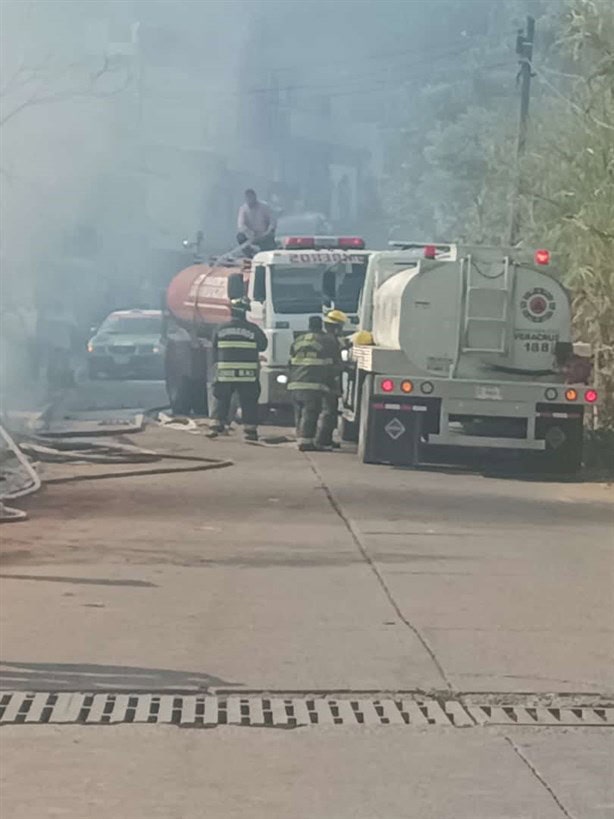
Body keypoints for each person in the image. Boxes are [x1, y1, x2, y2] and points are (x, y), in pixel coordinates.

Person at [209, 297, 268, 442]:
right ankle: (250, 431)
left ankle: (217, 426)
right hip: (247, 374)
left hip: (225, 373)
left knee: (222, 398)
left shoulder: (220, 328)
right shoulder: (253, 329)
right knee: (248, 401)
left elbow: (214, 347)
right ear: (245, 312)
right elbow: (263, 345)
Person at [288, 315, 341, 452]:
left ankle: (301, 438)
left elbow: (290, 361)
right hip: (313, 383)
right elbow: (335, 364)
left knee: (300, 412)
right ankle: (306, 442)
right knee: (310, 412)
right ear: (321, 326)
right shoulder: (326, 341)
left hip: (295, 382)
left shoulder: (298, 340)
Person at [315, 309, 348, 450]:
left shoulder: (325, 339)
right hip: (328, 380)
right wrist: (345, 367)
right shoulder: (331, 341)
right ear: (335, 326)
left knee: (329, 411)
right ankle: (323, 440)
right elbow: (336, 362)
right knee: (329, 412)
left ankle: (326, 439)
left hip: (324, 379)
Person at [236, 189, 277, 253]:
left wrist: (268, 232)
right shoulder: (243, 209)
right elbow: (241, 226)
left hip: (265, 235)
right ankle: (250, 255)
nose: (250, 200)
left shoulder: (264, 206)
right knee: (240, 236)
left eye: (251, 197)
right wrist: (250, 233)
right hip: (251, 236)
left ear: (255, 197)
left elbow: (273, 222)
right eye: (248, 198)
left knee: (270, 240)